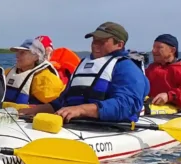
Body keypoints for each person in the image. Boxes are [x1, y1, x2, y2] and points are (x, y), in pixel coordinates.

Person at [21, 22, 149, 123]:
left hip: (111, 129)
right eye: (94, 40)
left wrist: (81, 110)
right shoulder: (84, 64)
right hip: (76, 125)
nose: (95, 45)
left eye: (102, 41)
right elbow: (63, 100)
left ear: (119, 45)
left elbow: (126, 105)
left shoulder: (127, 68)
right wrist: (36, 110)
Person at [4, 37, 65, 105]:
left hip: (26, 115)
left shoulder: (44, 79)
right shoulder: (7, 72)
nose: (17, 55)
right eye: (17, 52)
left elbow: (56, 105)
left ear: (36, 57)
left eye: (22, 53)